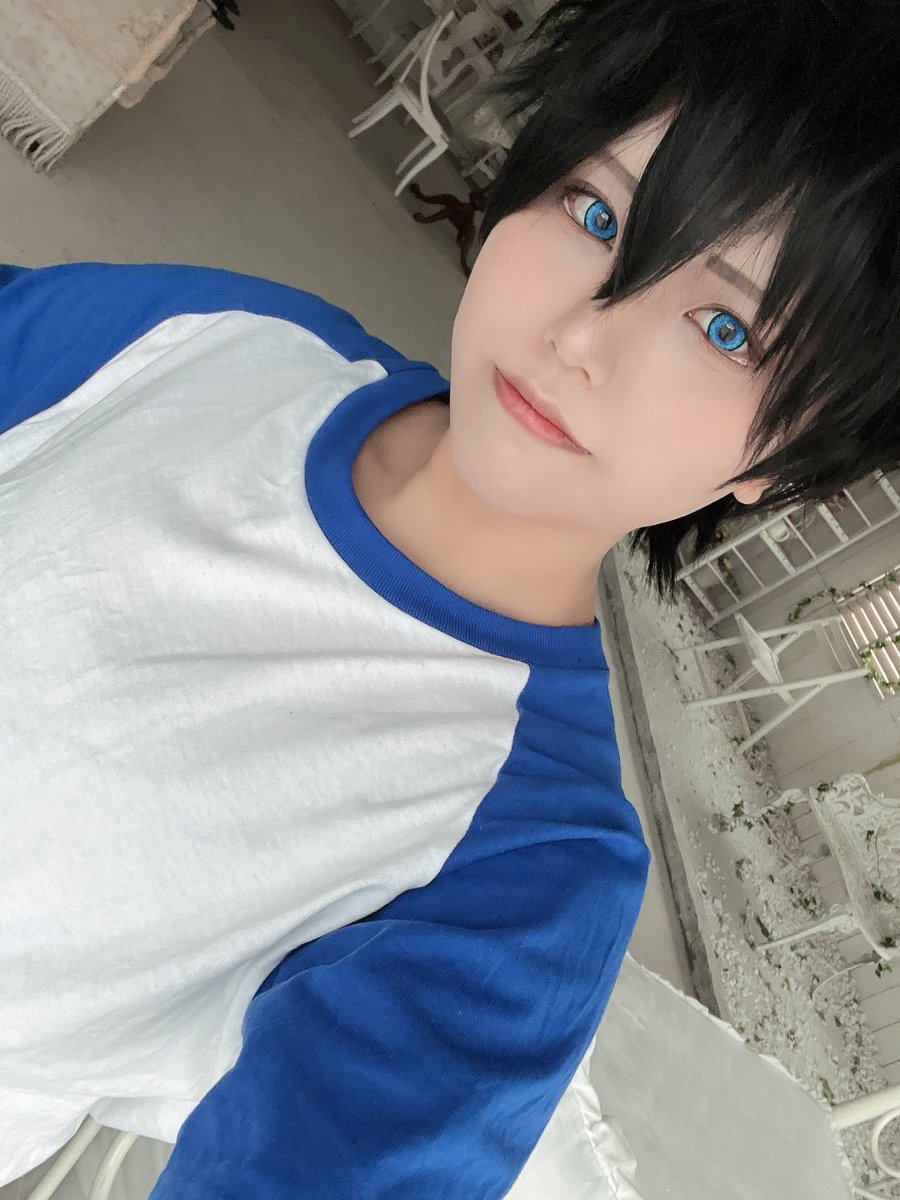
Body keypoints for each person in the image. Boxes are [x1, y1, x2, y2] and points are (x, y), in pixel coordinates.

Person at [1, 0, 897, 1195]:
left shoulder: (527, 868)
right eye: (597, 214)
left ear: (777, 465)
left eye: (724, 327)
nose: (583, 336)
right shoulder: (226, 339)